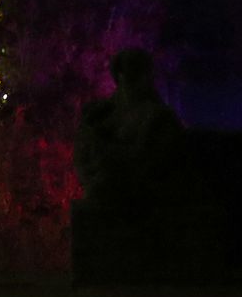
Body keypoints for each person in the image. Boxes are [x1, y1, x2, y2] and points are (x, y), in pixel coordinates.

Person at [75, 48, 183, 209]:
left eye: (136, 74)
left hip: (140, 201)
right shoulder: (99, 114)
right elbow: (85, 156)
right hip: (110, 197)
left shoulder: (158, 117)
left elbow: (158, 164)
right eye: (129, 75)